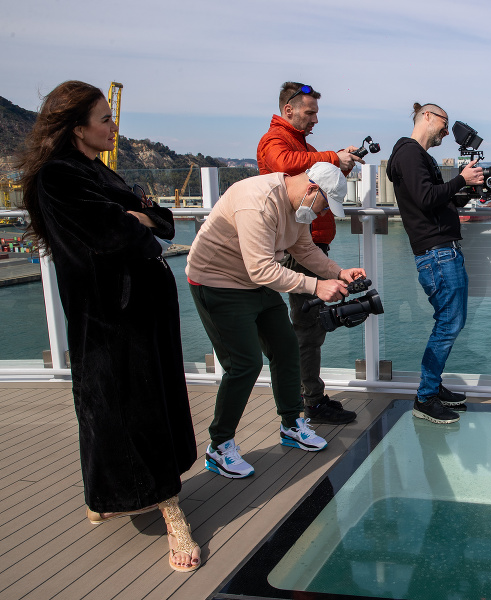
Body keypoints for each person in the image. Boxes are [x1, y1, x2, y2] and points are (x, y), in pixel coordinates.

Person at [17, 80, 200, 572]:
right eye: (104, 119)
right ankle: (171, 512)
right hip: (109, 318)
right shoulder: (59, 178)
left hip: (138, 312)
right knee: (123, 406)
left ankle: (104, 494)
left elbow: (161, 222)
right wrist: (134, 220)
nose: (112, 125)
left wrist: (138, 219)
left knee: (130, 402)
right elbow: (114, 236)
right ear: (77, 128)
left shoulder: (97, 173)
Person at [186, 162, 366, 478]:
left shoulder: (297, 207)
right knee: (244, 364)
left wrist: (337, 272)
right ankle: (219, 446)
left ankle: (291, 424)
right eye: (325, 205)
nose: (323, 213)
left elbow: (305, 250)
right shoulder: (259, 201)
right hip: (217, 282)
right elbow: (261, 269)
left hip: (252, 282)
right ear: (312, 189)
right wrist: (316, 286)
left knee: (286, 349)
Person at [257, 81, 361, 425]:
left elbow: (307, 167)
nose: (315, 118)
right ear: (289, 109)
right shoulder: (276, 141)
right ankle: (310, 401)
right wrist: (332, 156)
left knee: (310, 326)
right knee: (308, 327)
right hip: (297, 248)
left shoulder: (302, 145)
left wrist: (339, 167)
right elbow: (285, 163)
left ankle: (308, 396)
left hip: (307, 245)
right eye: (309, 111)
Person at [386, 103, 484, 424]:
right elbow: (426, 197)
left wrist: (467, 188)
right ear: (426, 117)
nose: (446, 131)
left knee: (450, 320)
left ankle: (433, 386)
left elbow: (438, 199)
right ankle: (426, 396)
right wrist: (460, 179)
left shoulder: (418, 156)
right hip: (437, 252)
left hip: (442, 250)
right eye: (444, 124)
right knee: (449, 323)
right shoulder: (410, 154)